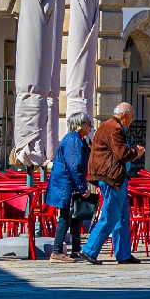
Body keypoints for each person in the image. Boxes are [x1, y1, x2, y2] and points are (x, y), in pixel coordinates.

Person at [80, 102, 141, 266]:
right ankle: (89, 249)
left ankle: (123, 253)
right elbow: (121, 154)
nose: (132, 120)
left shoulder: (109, 126)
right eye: (132, 116)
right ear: (124, 115)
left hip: (114, 177)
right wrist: (137, 152)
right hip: (112, 177)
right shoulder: (114, 128)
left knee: (122, 215)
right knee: (111, 215)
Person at [44, 111, 93, 260]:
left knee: (76, 216)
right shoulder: (73, 139)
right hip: (66, 183)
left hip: (70, 183)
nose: (90, 127)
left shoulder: (79, 139)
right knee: (65, 216)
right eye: (88, 124)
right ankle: (57, 251)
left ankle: (76, 249)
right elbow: (74, 165)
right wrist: (82, 187)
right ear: (80, 124)